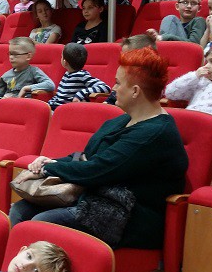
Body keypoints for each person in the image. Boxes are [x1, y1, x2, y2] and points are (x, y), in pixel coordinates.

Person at [10, 48, 189, 249]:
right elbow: (86, 157)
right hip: (95, 198)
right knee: (20, 210)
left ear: (136, 91)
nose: (113, 88)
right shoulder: (122, 121)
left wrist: (48, 169)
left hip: (126, 215)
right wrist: (50, 161)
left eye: (118, 83)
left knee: (42, 222)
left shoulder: (155, 134)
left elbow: (97, 169)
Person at [47, 43, 111, 110]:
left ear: (65, 62)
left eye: (61, 56)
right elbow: (58, 96)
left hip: (66, 110)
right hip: (55, 107)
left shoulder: (82, 75)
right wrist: (48, 104)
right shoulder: (67, 74)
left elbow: (106, 88)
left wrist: (81, 93)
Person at [0, 37, 55, 101]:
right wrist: (0, 100)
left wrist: (26, 88)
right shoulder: (6, 76)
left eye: (15, 54)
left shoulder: (34, 71)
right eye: (10, 54)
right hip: (8, 105)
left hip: (26, 106)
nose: (11, 57)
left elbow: (50, 85)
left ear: (28, 56)